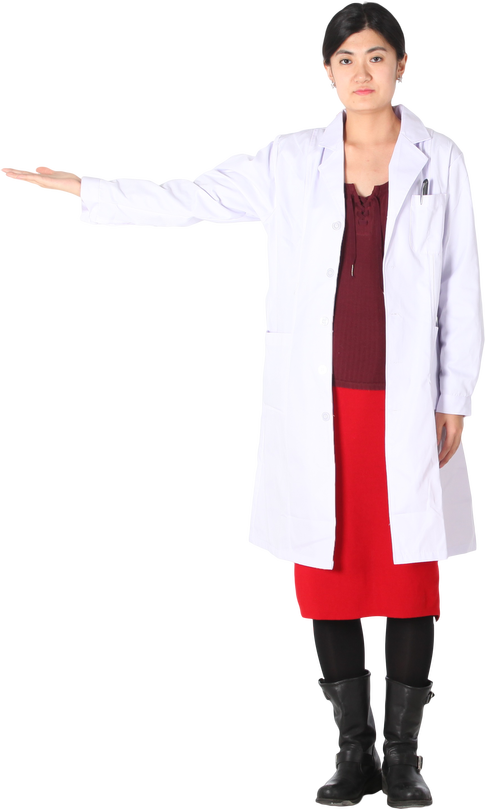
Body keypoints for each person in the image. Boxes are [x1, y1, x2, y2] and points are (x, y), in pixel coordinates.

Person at [1, 3, 481, 807]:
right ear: (324, 73)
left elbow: (463, 279)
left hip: (405, 405)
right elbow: (185, 196)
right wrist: (82, 187)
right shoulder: (287, 159)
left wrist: (454, 392)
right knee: (324, 569)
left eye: (375, 56)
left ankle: (404, 758)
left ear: (403, 64)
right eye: (343, 60)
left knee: (409, 572)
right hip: (317, 402)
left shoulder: (444, 156)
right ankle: (350, 753)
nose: (359, 72)